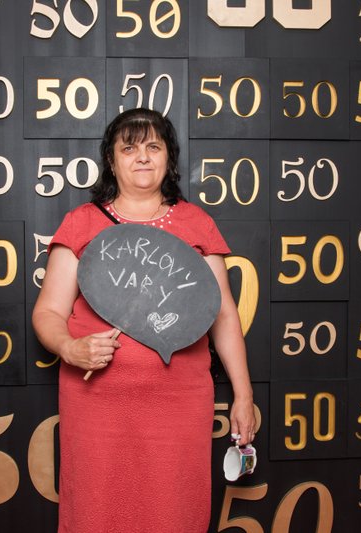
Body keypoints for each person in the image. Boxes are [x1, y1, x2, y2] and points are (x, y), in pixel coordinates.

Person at [32, 108, 255, 532]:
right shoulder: (81, 223)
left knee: (172, 511)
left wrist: (243, 394)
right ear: (111, 159)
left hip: (178, 403)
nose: (143, 157)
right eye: (129, 148)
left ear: (169, 157)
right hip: (96, 403)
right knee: (97, 511)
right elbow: (48, 312)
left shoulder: (196, 223)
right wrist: (69, 347)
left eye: (154, 146)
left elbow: (223, 314)